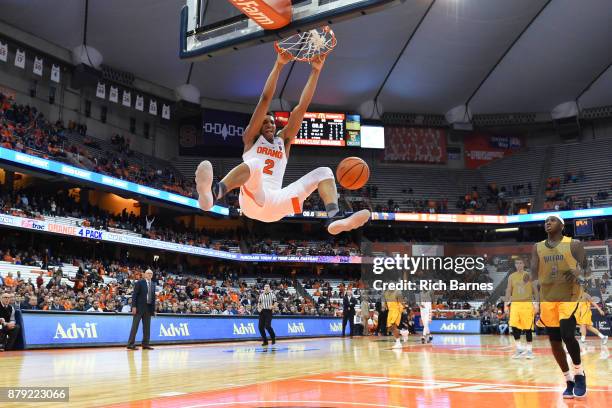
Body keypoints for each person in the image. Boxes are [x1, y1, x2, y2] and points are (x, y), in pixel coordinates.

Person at [195, 50, 370, 235]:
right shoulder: (251, 139)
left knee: (324, 172)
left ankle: (335, 217)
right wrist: (279, 65)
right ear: (257, 126)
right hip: (254, 200)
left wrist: (316, 70)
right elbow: (265, 100)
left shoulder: (283, 141)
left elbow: (301, 107)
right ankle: (212, 194)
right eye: (265, 122)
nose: (269, 124)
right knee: (254, 164)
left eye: (272, 121)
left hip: (277, 203)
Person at [531, 215, 588, 398]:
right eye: (546, 221)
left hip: (569, 297)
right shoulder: (537, 247)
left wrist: (578, 271)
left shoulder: (574, 244)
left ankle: (579, 374)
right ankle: (568, 380)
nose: (548, 222)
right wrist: (536, 301)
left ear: (562, 225)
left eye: (553, 220)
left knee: (567, 334)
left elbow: (587, 268)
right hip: (548, 298)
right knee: (555, 342)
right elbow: (533, 275)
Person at [504, 258, 535, 359]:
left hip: (527, 304)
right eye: (517, 263)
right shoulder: (511, 276)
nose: (519, 264)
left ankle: (529, 351)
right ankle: (519, 349)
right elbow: (508, 290)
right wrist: (506, 304)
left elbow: (536, 290)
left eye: (520, 262)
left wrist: (537, 304)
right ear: (515, 265)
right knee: (514, 327)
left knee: (528, 328)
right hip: (515, 304)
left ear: (524, 264)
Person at [127, 269, 156, 350]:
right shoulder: (139, 282)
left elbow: (153, 298)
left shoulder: (153, 284)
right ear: (145, 274)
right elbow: (134, 295)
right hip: (139, 308)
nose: (150, 275)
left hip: (148, 308)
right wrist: (133, 307)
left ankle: (145, 344)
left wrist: (153, 310)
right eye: (148, 273)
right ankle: (130, 344)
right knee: (135, 326)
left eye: (151, 273)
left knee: (147, 327)